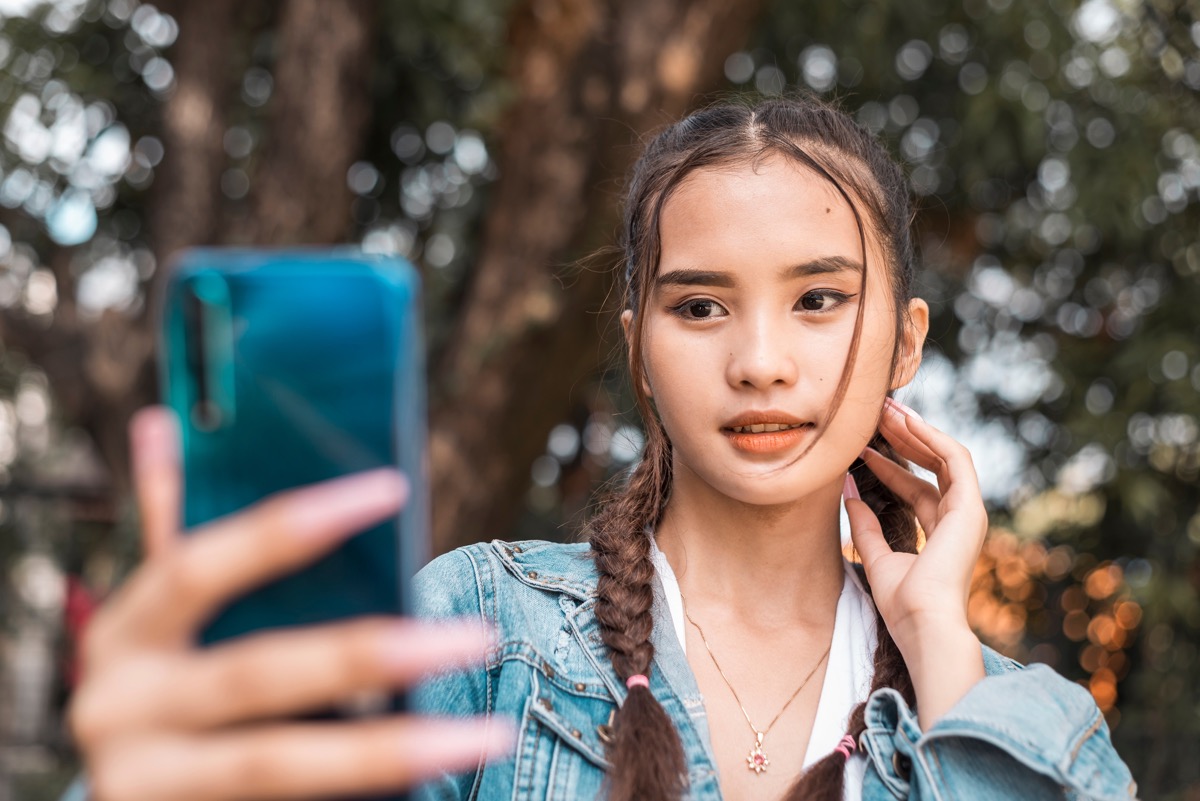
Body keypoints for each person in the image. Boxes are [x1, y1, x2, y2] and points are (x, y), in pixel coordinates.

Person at [69, 95, 1137, 801]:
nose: (761, 363)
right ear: (640, 351)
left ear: (905, 341)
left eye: (819, 299)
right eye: (700, 308)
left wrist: (941, 644)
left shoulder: (1006, 715)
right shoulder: (482, 632)